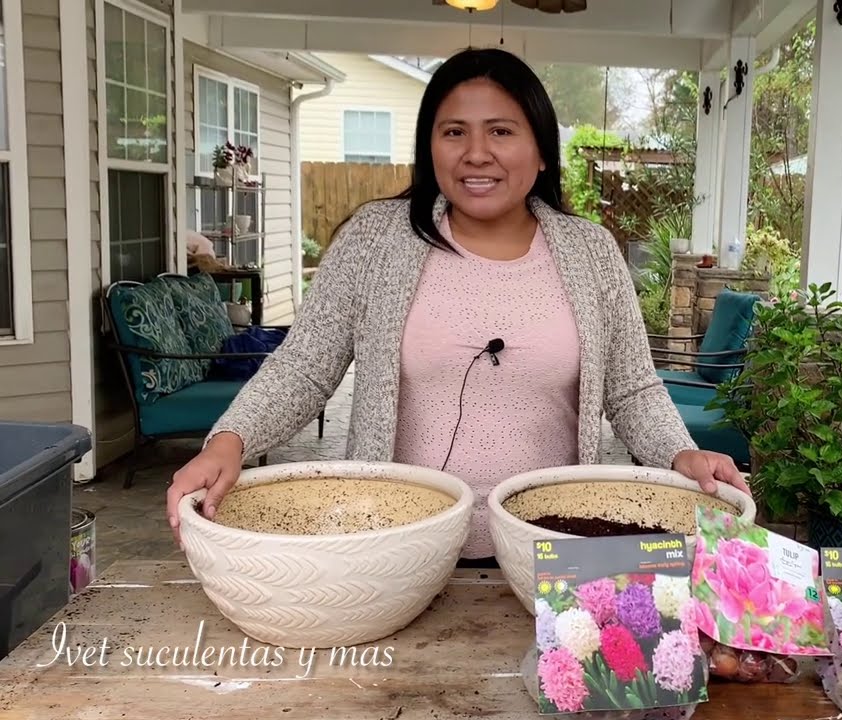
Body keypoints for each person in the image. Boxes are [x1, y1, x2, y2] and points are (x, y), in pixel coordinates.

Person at [165, 47, 749, 564]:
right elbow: (306, 365)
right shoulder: (376, 239)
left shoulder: (590, 250)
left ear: (542, 151)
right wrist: (230, 439)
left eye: (501, 131)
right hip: (397, 547)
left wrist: (682, 454)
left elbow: (631, 389)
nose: (476, 153)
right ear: (430, 148)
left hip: (553, 552)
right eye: (453, 133)